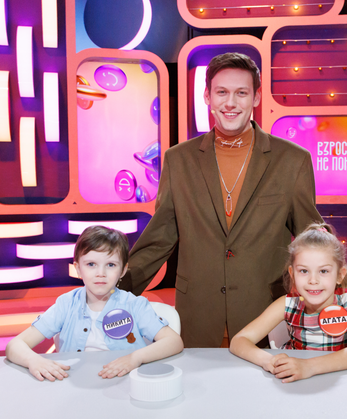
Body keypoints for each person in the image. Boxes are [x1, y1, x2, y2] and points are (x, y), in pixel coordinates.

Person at [120, 52, 323, 347]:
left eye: (241, 93)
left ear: (256, 97)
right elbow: (158, 240)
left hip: (265, 318)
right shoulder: (178, 160)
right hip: (199, 316)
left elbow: (314, 241)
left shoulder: (292, 160)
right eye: (222, 92)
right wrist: (110, 294)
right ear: (207, 96)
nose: (230, 103)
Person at [6, 226, 183, 381]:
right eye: (91, 264)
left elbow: (174, 341)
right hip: (73, 383)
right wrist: (34, 360)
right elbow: (15, 345)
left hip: (124, 384)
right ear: (78, 268)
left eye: (111, 265)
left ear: (123, 270)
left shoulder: (134, 305)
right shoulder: (66, 304)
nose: (101, 273)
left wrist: (135, 358)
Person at [229, 223, 347, 382]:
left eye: (323, 271)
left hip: (338, 380)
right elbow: (239, 341)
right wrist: (268, 360)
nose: (313, 280)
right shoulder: (287, 304)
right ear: (292, 274)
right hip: (296, 381)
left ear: (339, 275)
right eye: (304, 271)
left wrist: (308, 367)